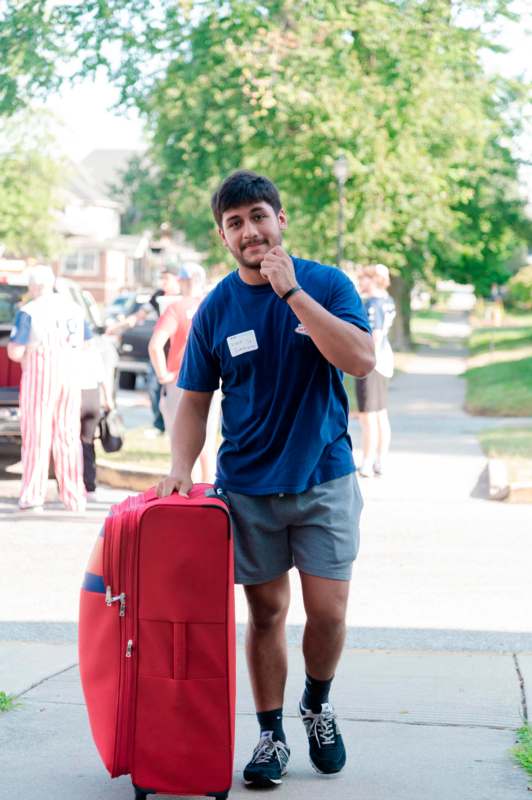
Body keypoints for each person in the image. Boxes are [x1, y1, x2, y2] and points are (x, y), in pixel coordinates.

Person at [156, 170, 375, 788]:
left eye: (258, 216)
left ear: (281, 219)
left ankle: (318, 704)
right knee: (267, 611)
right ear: (223, 236)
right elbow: (194, 399)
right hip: (248, 486)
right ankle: (272, 736)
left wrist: (293, 295)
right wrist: (180, 468)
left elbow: (360, 361)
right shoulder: (215, 308)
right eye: (235, 223)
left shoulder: (327, 284)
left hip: (324, 476)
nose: (249, 230)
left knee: (328, 613)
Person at [7, 265, 89, 512]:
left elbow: (16, 350)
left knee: (37, 436)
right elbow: (85, 343)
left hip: (41, 375)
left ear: (34, 286)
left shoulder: (29, 311)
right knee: (68, 435)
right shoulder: (74, 309)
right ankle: (74, 496)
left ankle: (33, 495)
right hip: (71, 374)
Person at [354, 264, 396, 477]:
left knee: (367, 416)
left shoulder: (372, 304)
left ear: (373, 280)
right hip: (384, 361)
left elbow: (375, 335)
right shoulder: (388, 301)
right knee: (380, 413)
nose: (360, 283)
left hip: (371, 363)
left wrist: (360, 358)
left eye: (363, 279)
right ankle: (381, 460)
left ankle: (367, 462)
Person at [79, 338, 114, 500]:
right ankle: (90, 485)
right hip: (92, 397)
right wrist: (108, 400)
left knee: (71, 443)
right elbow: (104, 380)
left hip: (75, 396)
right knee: (88, 442)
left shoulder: (71, 352)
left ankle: (73, 482)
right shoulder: (94, 354)